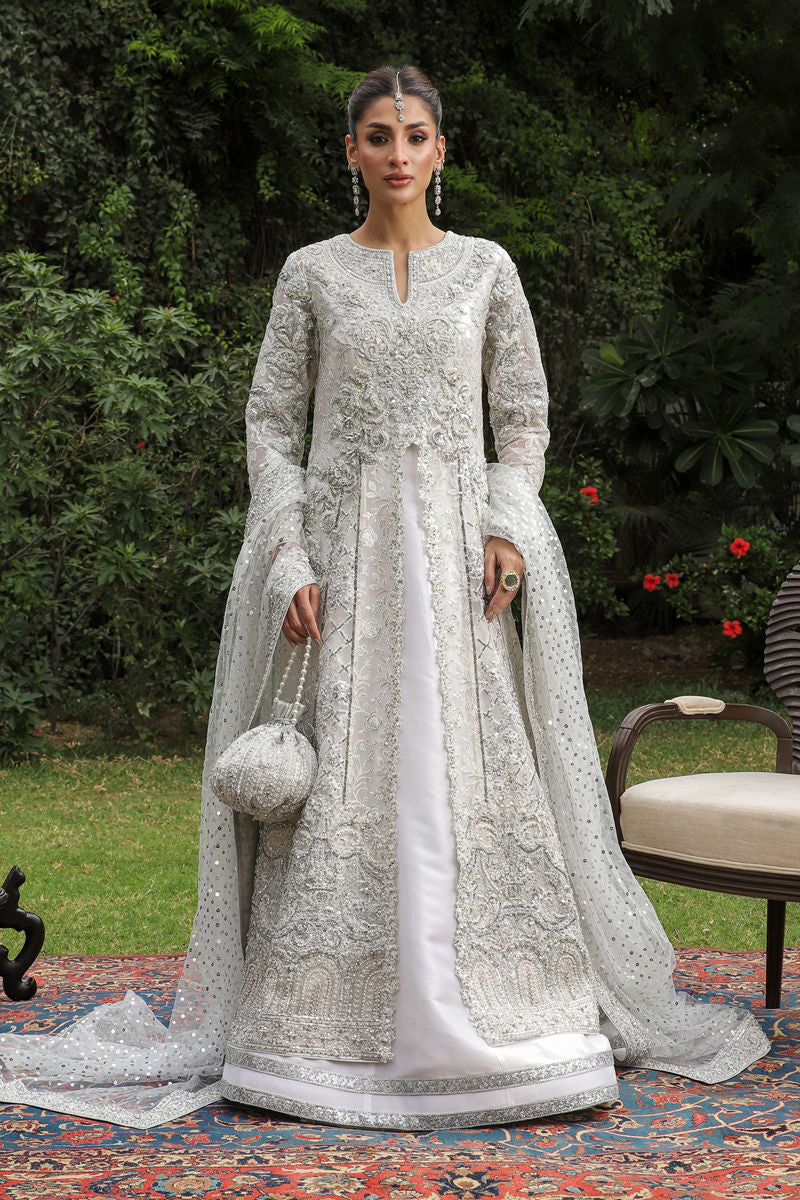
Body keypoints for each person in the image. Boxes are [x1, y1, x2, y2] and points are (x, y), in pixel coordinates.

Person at [0, 66, 769, 1132]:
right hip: (343, 566)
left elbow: (523, 415)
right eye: (377, 136)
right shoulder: (312, 273)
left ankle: (506, 1022)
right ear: (351, 150)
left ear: (440, 150)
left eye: (413, 135)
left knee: (465, 766)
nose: (397, 154)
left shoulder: (486, 269)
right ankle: (320, 1037)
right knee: (349, 773)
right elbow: (271, 425)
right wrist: (286, 557)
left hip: (458, 569)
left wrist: (507, 526)